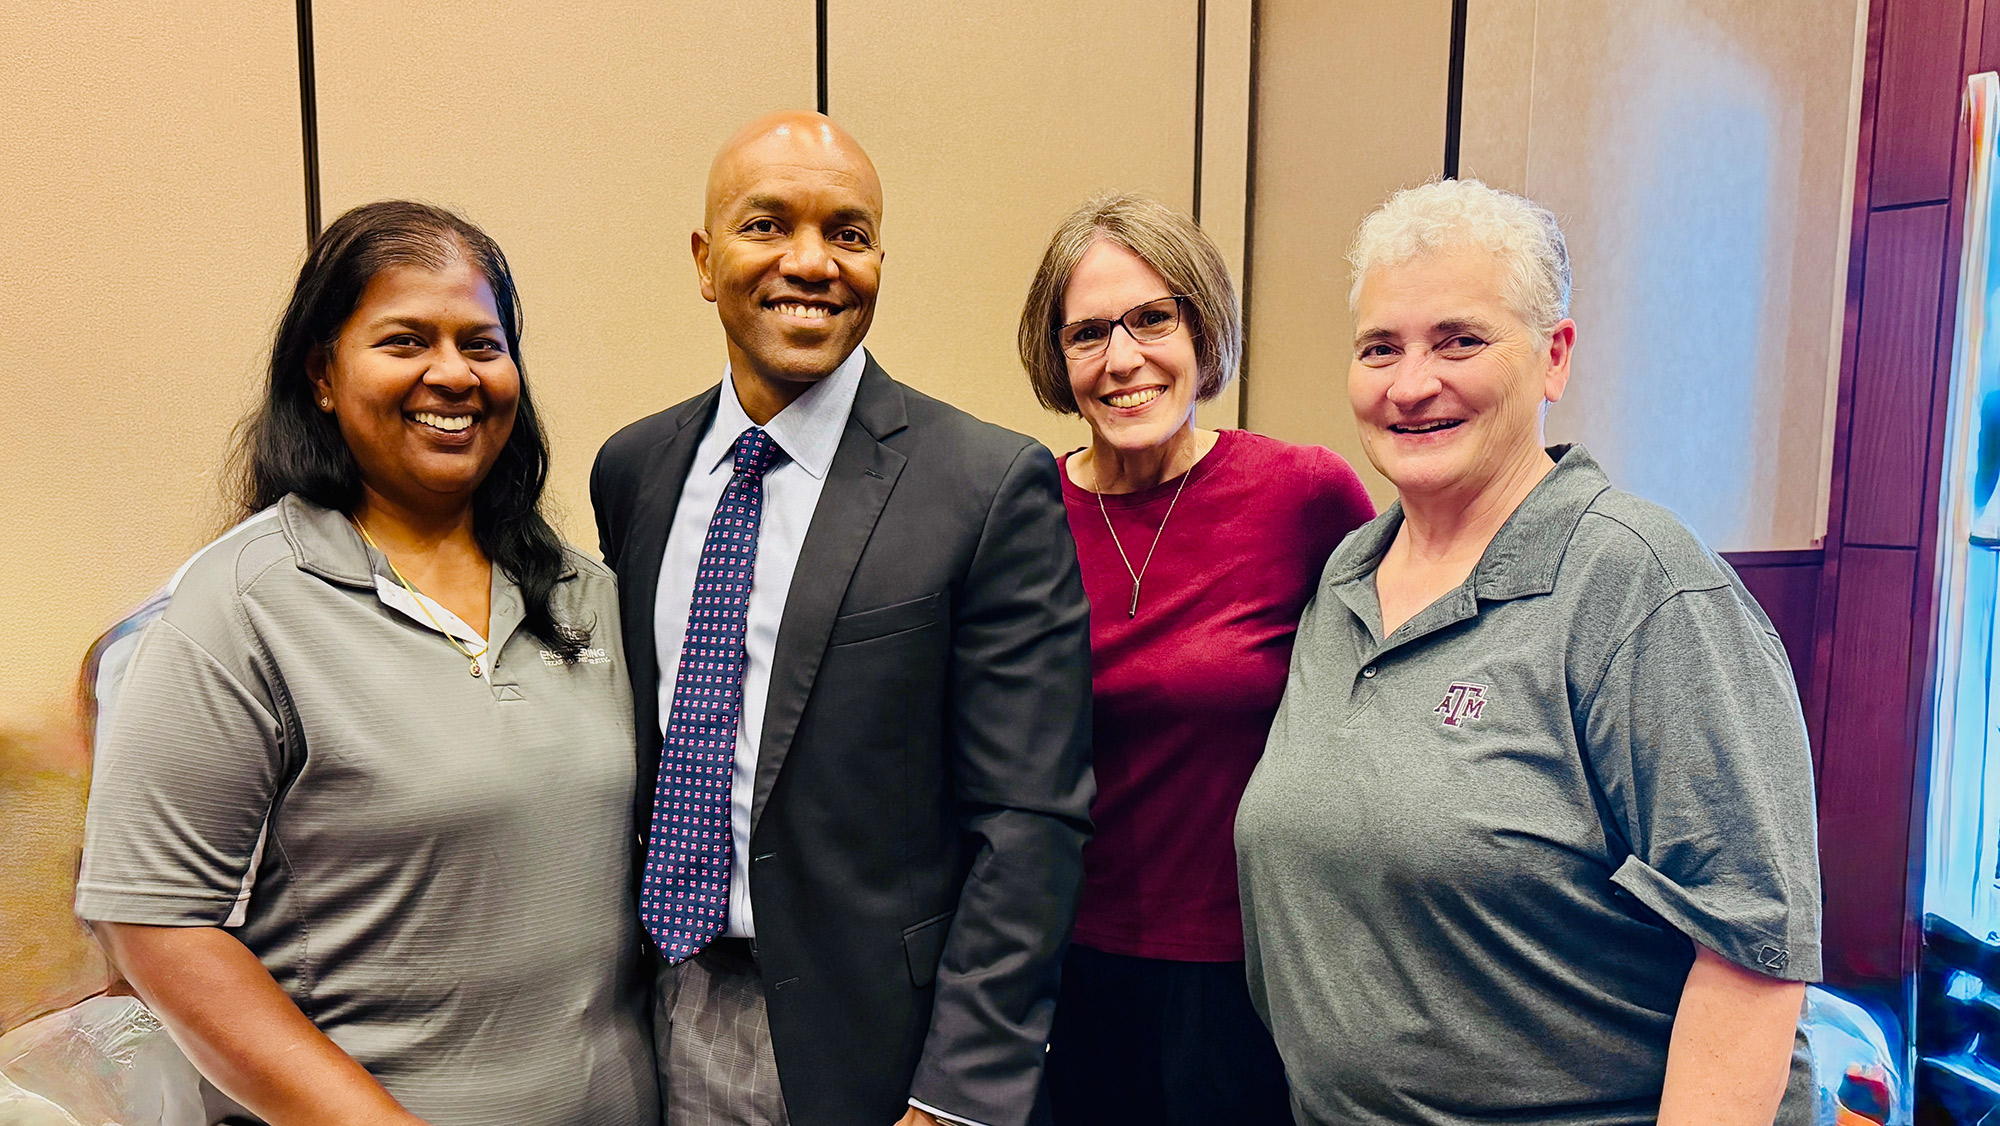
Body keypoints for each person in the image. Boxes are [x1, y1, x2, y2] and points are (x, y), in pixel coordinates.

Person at [1234, 178, 1821, 1125]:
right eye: (1380, 347)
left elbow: (1751, 955)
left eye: (1460, 341)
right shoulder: (1347, 574)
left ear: (1554, 357)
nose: (1412, 383)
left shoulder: (1642, 588)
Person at [74, 201, 657, 1126]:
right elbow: (155, 921)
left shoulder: (586, 593)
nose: (453, 374)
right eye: (404, 341)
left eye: (482, 343)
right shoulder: (239, 605)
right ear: (322, 376)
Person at [590, 111, 1093, 1126]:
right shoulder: (634, 471)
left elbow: (1028, 821)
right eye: (765, 225)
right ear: (703, 259)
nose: (809, 263)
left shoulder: (985, 486)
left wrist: (957, 1097)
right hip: (654, 1013)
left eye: (848, 233)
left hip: (876, 1052)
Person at [1014, 194, 1373, 1124]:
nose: (1122, 359)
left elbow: (1380, 710)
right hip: (1064, 965)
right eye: (1087, 332)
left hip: (1249, 972)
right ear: (1057, 358)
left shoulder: (1301, 494)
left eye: (1151, 318)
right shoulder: (1020, 515)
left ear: (1202, 328)